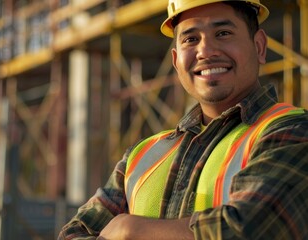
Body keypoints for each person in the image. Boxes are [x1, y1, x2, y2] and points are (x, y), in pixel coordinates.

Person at [59, 0, 308, 239]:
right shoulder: (142, 155)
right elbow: (73, 234)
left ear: (259, 47)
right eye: (191, 39)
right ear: (176, 62)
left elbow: (249, 230)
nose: (206, 51)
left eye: (223, 33)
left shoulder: (292, 131)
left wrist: (131, 231)